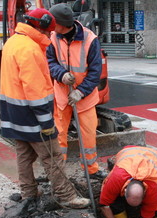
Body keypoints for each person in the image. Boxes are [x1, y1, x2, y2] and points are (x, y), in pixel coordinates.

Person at [0, 8, 90, 209]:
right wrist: (46, 122)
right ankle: (66, 196)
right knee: (52, 155)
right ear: (40, 28)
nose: (50, 35)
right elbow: (35, 90)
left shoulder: (13, 42)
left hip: (13, 113)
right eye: (49, 32)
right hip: (31, 115)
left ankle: (28, 193)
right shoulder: (30, 49)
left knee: (24, 155)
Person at [46, 3, 106, 179]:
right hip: (62, 96)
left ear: (63, 24)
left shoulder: (90, 39)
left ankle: (91, 170)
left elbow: (95, 72)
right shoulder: (53, 37)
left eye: (53, 23)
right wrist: (61, 74)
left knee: (88, 136)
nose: (50, 26)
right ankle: (58, 173)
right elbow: (49, 62)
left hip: (84, 98)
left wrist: (80, 91)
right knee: (58, 137)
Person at [99, 146, 157, 218]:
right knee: (113, 200)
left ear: (144, 195)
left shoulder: (152, 188)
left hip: (155, 158)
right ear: (124, 191)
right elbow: (104, 204)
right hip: (128, 152)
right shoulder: (117, 178)